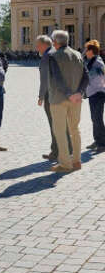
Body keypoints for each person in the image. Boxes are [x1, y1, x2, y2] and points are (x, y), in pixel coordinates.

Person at [44, 29, 87, 173]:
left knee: (60, 132)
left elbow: (57, 78)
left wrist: (69, 94)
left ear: (55, 42)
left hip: (59, 99)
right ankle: (76, 161)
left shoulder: (53, 56)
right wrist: (79, 93)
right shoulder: (78, 54)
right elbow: (86, 76)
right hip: (76, 100)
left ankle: (65, 164)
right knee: (75, 130)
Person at [35, 34, 58, 165]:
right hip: (63, 94)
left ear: (44, 45)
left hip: (51, 95)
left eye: (38, 45)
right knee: (62, 123)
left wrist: (41, 96)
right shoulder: (58, 53)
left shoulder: (46, 57)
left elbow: (44, 79)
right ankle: (67, 149)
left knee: (53, 123)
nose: (37, 47)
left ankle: (56, 151)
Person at [83, 39, 105, 152]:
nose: (85, 51)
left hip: (98, 93)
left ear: (91, 51)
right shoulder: (89, 61)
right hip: (92, 93)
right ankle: (97, 140)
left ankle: (102, 144)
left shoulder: (98, 62)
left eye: (86, 49)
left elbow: (102, 76)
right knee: (94, 118)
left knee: (98, 118)